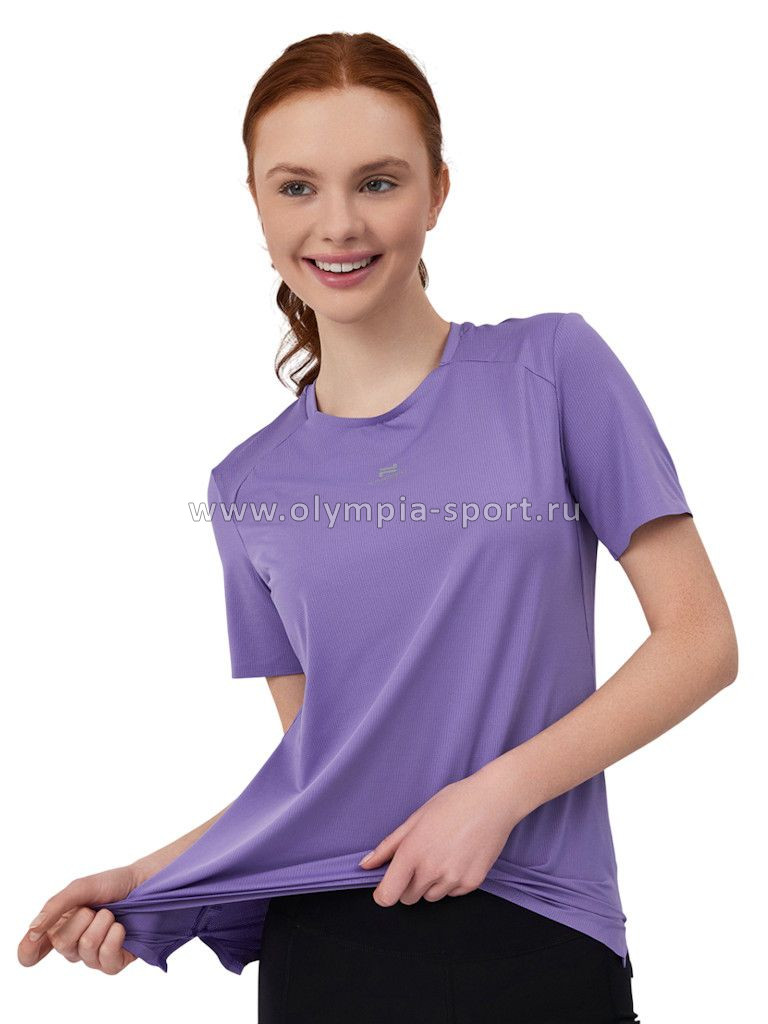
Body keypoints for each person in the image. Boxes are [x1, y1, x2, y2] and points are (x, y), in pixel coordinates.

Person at [18, 31, 738, 1024]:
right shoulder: (247, 486)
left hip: (541, 938)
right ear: (257, 204)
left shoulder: (552, 371)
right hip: (328, 960)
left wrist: (497, 795)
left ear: (437, 192)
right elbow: (327, 775)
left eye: (379, 181)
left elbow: (701, 640)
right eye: (297, 187)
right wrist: (145, 882)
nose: (340, 224)